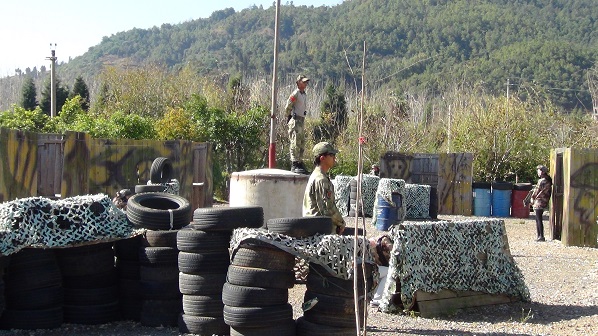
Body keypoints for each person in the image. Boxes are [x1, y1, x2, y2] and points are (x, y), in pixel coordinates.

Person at [303, 142, 346, 234]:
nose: (334, 157)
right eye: (331, 155)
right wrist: (341, 222)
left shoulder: (319, 176)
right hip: (319, 230)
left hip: (315, 227)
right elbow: (327, 208)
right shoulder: (321, 179)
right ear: (322, 158)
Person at [285, 75, 310, 174]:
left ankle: (299, 162)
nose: (305, 84)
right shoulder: (295, 94)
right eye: (303, 82)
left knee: (301, 142)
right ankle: (294, 163)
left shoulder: (303, 94)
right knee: (295, 142)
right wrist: (288, 116)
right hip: (295, 121)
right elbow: (288, 105)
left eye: (306, 82)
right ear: (298, 83)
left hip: (301, 120)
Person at [530, 165, 552, 241]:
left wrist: (532, 198)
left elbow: (536, 191)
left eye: (538, 170)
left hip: (539, 201)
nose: (537, 172)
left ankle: (540, 236)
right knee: (539, 218)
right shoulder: (548, 180)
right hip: (544, 200)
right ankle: (540, 236)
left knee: (538, 219)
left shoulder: (541, 181)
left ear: (542, 172)